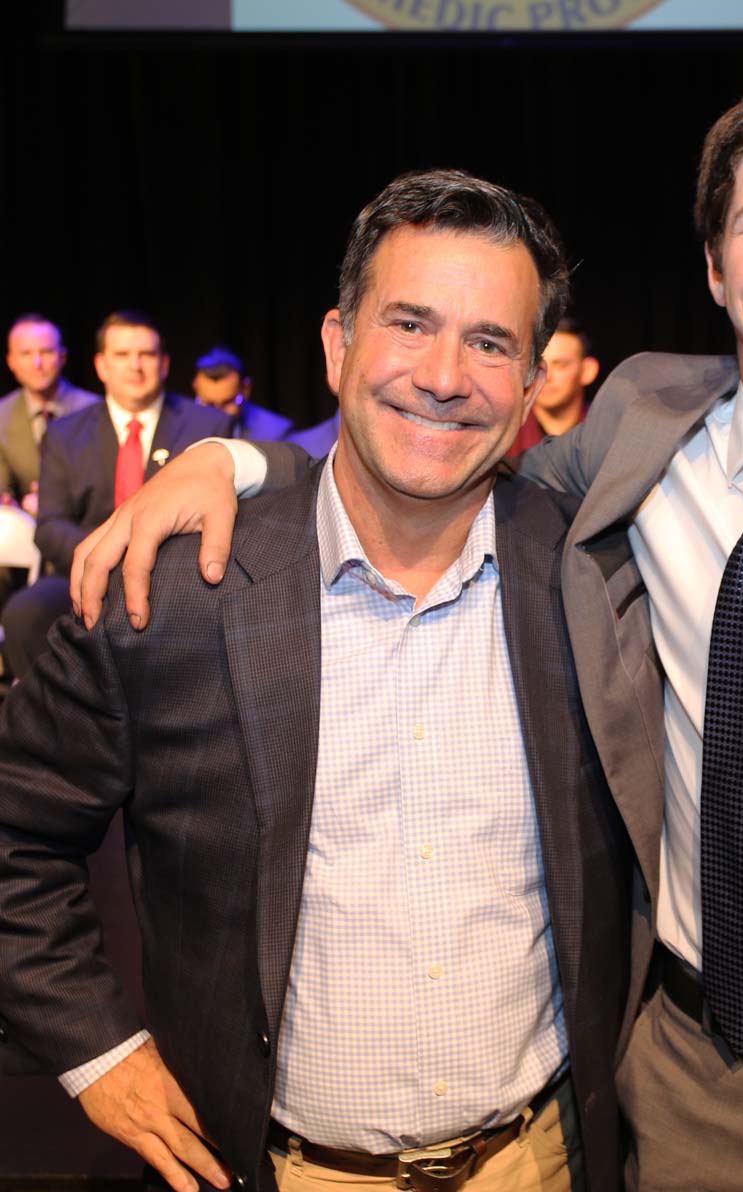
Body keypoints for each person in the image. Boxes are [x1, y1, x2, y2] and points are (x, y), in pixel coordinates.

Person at [71, 79, 743, 1192]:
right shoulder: (640, 432)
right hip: (683, 1095)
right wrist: (238, 460)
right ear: (714, 265)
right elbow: (423, 441)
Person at [0, 171, 632, 1192]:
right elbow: (14, 833)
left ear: (528, 384)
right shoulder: (178, 593)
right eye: (411, 323)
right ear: (338, 346)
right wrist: (98, 1052)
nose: (443, 374)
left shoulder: (587, 580)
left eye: (489, 342)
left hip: (544, 1158)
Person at [0, 310, 233, 677]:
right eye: (122, 356)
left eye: (147, 355)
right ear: (101, 366)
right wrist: (109, 558)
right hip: (85, 568)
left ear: (165, 363)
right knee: (24, 614)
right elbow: (50, 526)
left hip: (174, 575)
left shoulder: (209, 426)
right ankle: (63, 729)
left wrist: (146, 560)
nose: (135, 366)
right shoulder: (64, 434)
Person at [0, 313, 100, 514]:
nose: (37, 363)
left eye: (46, 352)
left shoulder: (94, 410)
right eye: (26, 354)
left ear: (62, 357)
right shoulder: (2, 414)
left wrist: (55, 498)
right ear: (11, 361)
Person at [507, 317, 598, 457]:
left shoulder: (607, 431)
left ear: (587, 371)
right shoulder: (506, 434)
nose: (547, 376)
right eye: (538, 366)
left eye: (561, 365)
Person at [193, 345, 294, 440]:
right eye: (209, 404)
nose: (218, 413)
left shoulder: (275, 433)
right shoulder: (183, 428)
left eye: (227, 402)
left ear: (246, 389)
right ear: (195, 388)